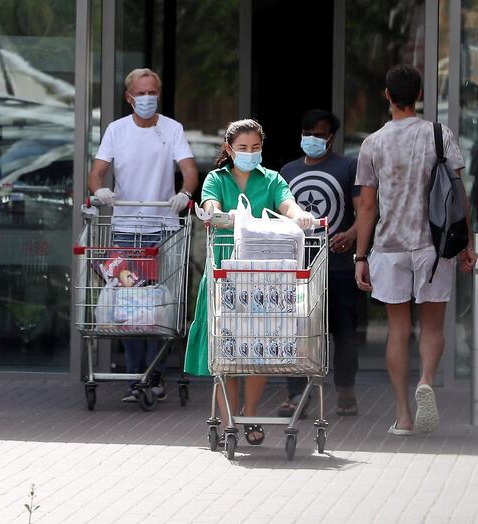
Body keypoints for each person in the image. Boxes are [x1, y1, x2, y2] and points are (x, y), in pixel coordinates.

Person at [354, 64, 478, 436]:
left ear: (387, 95)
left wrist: (361, 256)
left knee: (397, 330)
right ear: (420, 95)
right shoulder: (439, 135)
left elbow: (366, 206)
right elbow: (459, 196)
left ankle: (404, 415)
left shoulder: (372, 142)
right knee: (433, 326)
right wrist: (466, 244)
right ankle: (426, 379)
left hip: (390, 246)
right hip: (434, 245)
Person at [184, 119, 315, 446]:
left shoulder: (271, 179)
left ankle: (251, 412)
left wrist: (297, 214)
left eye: (255, 148)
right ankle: (229, 422)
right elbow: (210, 205)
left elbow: (287, 203)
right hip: (226, 273)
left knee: (260, 347)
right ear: (229, 149)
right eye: (242, 148)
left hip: (264, 278)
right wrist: (216, 213)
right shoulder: (216, 179)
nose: (249, 153)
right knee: (225, 349)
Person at [88, 67, 199, 402]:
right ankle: (138, 377)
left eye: (153, 92)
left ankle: (153, 374)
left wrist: (185, 193)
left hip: (162, 230)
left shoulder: (172, 129)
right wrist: (101, 192)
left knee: (157, 307)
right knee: (129, 308)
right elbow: (96, 173)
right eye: (142, 93)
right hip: (125, 229)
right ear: (129, 97)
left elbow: (189, 170)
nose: (148, 98)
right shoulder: (116, 131)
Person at [278, 109, 360, 418]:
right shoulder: (286, 172)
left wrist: (352, 235)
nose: (313, 138)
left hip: (338, 266)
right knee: (299, 330)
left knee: (345, 331)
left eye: (320, 133)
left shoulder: (348, 167)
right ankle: (296, 394)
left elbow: (363, 211)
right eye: (308, 132)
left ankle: (346, 391)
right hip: (300, 267)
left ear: (332, 137)